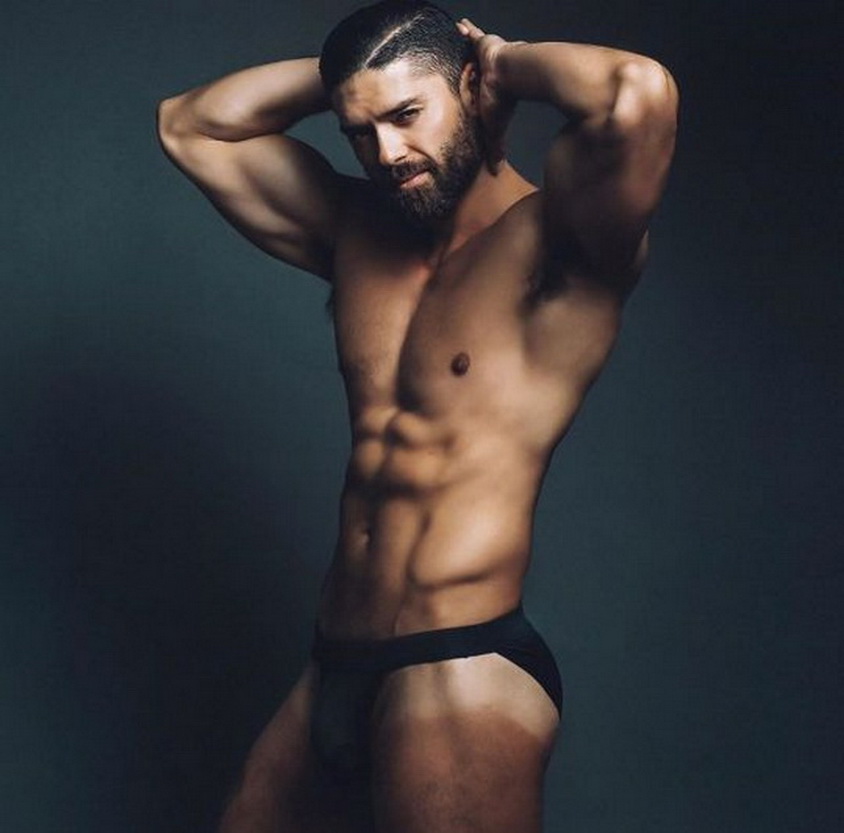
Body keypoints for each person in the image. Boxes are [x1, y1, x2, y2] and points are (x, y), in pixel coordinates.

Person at [157, 2, 677, 830]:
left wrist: (502, 62)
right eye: (360, 133)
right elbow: (189, 126)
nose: (388, 153)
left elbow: (635, 92)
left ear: (469, 89)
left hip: (457, 661)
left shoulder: (561, 242)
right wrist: (351, 83)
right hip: (334, 659)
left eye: (407, 115)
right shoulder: (356, 231)